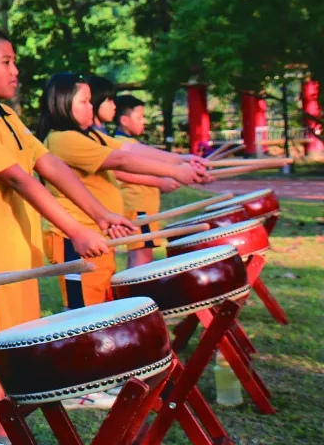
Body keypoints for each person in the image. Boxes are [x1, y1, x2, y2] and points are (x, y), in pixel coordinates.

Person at [0, 31, 136, 436]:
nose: (16, 71)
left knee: (12, 357)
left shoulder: (7, 117)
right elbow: (20, 181)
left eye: (15, 61)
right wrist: (76, 231)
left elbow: (48, 166)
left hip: (17, 255)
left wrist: (101, 215)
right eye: (7, 62)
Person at [36, 73, 212, 310]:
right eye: (84, 102)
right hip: (74, 238)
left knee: (99, 302)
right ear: (63, 103)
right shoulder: (62, 139)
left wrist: (180, 160)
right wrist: (174, 172)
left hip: (95, 235)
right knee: (85, 313)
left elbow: (130, 150)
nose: (91, 107)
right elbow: (120, 160)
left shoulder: (90, 135)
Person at [113, 94, 180, 267]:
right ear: (124, 120)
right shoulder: (121, 143)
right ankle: (137, 293)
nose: (143, 122)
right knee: (141, 259)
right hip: (138, 208)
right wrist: (160, 182)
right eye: (139, 117)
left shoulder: (128, 142)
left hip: (144, 208)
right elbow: (120, 174)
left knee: (141, 255)